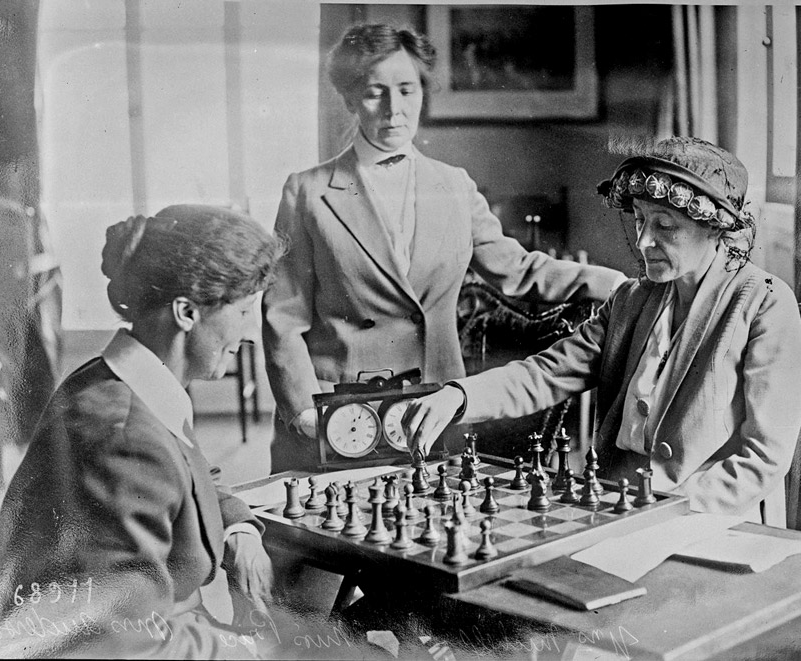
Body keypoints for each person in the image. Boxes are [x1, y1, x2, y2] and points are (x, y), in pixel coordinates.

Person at [263, 23, 625, 472]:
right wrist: (301, 411)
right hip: (341, 418)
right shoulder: (308, 192)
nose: (395, 110)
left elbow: (516, 269)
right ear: (350, 97)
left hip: (431, 408)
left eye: (407, 90)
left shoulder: (453, 185)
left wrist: (612, 282)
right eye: (376, 92)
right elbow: (282, 318)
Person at [403, 137, 801, 526]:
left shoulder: (765, 304)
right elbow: (546, 373)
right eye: (639, 220)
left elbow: (762, 458)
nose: (644, 240)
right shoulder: (633, 300)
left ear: (714, 228)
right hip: (617, 508)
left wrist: (667, 517)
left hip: (710, 523)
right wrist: (460, 395)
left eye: (665, 226)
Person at [0, 206, 283, 658]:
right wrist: (251, 650)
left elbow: (186, 472)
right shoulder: (123, 434)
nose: (250, 333)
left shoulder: (126, 383)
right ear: (186, 312)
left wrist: (238, 527)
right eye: (243, 311)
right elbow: (126, 641)